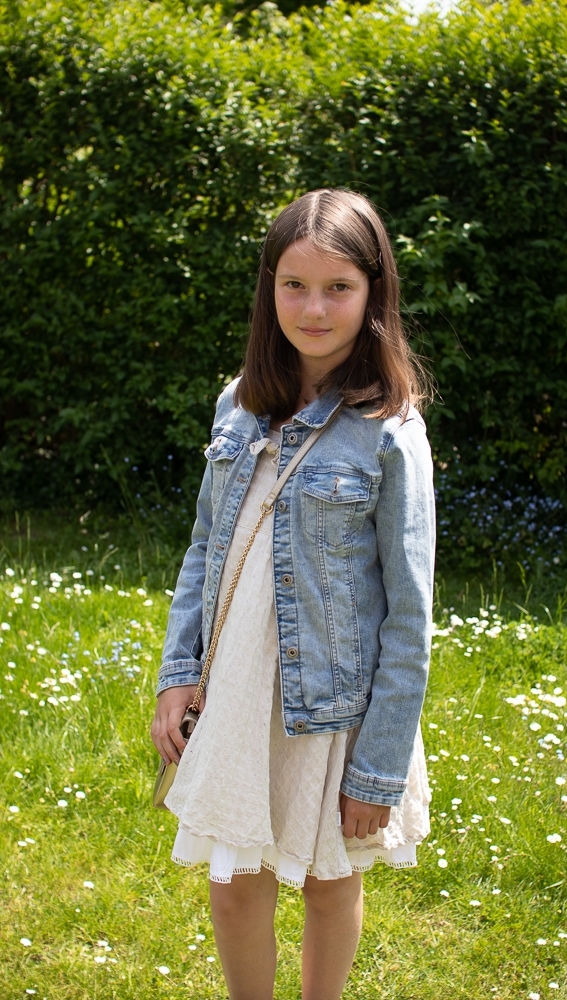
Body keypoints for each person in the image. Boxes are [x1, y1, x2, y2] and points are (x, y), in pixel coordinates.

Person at [150, 188, 436, 1000]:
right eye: (294, 285)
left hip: (331, 705)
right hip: (238, 691)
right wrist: (178, 673)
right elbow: (205, 547)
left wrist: (375, 772)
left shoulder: (389, 431)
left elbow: (410, 616)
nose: (313, 309)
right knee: (235, 884)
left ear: (373, 292)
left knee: (326, 879)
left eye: (338, 287)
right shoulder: (238, 405)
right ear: (268, 288)